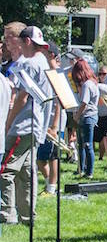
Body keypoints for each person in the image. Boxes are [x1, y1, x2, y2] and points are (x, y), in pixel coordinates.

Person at [1, 25, 52, 225]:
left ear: (27, 42)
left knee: (6, 171)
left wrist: (7, 122)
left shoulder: (31, 64)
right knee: (27, 173)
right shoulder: (44, 62)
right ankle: (27, 216)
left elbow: (22, 98)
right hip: (34, 125)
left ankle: (7, 214)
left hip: (22, 125)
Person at [36, 42, 63, 195]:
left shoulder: (56, 73)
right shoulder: (45, 71)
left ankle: (52, 187)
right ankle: (49, 184)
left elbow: (59, 102)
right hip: (44, 120)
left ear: (51, 54)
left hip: (55, 121)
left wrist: (54, 125)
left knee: (53, 156)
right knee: (41, 158)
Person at [72, 59, 100, 178]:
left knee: (87, 145)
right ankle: (81, 168)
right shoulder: (92, 83)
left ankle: (89, 172)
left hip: (88, 116)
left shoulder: (87, 85)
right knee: (82, 144)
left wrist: (76, 116)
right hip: (90, 116)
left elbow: (84, 103)